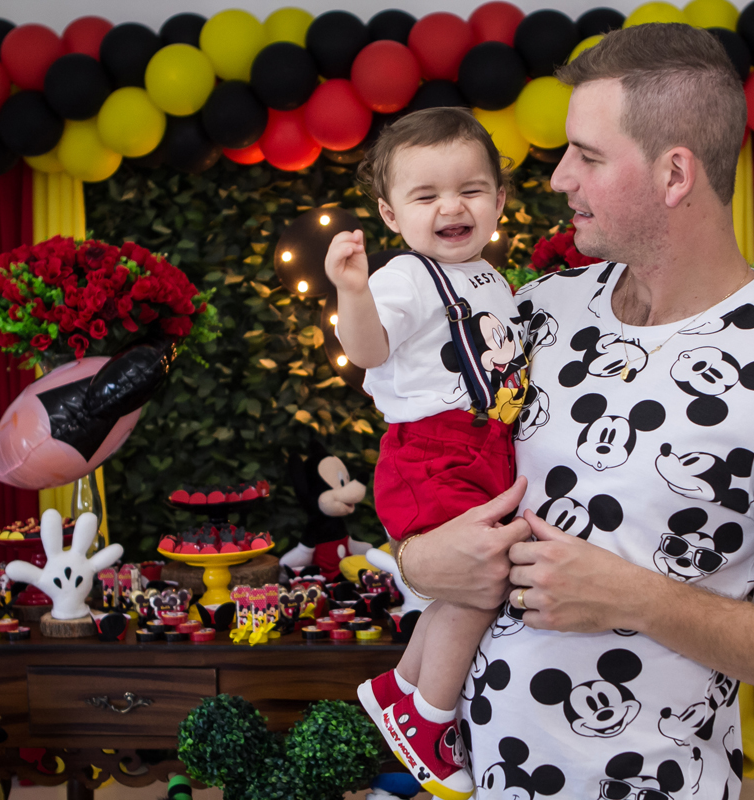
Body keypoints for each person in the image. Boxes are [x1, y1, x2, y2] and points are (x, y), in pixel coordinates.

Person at [395, 24, 754, 799]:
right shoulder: (538, 310)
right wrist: (419, 561)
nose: (560, 178)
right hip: (476, 779)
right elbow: (438, 479)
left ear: (674, 174)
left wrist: (637, 599)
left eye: (588, 157)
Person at [325, 107, 528, 800]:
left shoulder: (492, 280)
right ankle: (429, 717)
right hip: (432, 450)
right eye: (426, 195)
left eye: (471, 189)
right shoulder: (404, 278)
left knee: (473, 579)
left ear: (499, 199)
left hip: (484, 442)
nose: (452, 206)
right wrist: (353, 291)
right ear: (389, 213)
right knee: (480, 579)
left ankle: (402, 687)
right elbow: (368, 348)